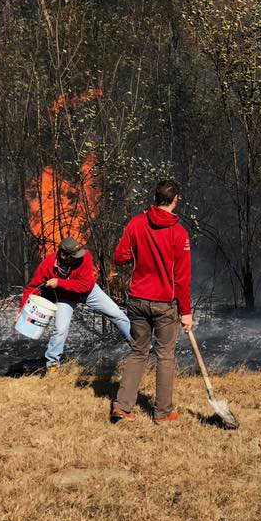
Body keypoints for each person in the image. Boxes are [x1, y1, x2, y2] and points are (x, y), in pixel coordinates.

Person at [111, 180, 193, 424]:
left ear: (155, 198)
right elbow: (183, 277)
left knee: (138, 352)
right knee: (165, 356)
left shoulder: (137, 223)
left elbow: (120, 257)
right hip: (164, 303)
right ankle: (163, 412)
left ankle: (122, 407)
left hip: (137, 300)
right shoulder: (179, 232)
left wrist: (138, 255)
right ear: (175, 199)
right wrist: (186, 312)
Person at [19, 237, 131, 372]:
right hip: (65, 297)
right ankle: (53, 365)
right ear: (63, 255)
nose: (79, 257)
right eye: (74, 256)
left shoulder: (85, 256)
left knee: (118, 315)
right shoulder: (48, 265)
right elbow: (32, 288)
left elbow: (84, 286)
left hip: (89, 292)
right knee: (60, 330)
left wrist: (59, 283)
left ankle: (140, 348)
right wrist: (22, 311)